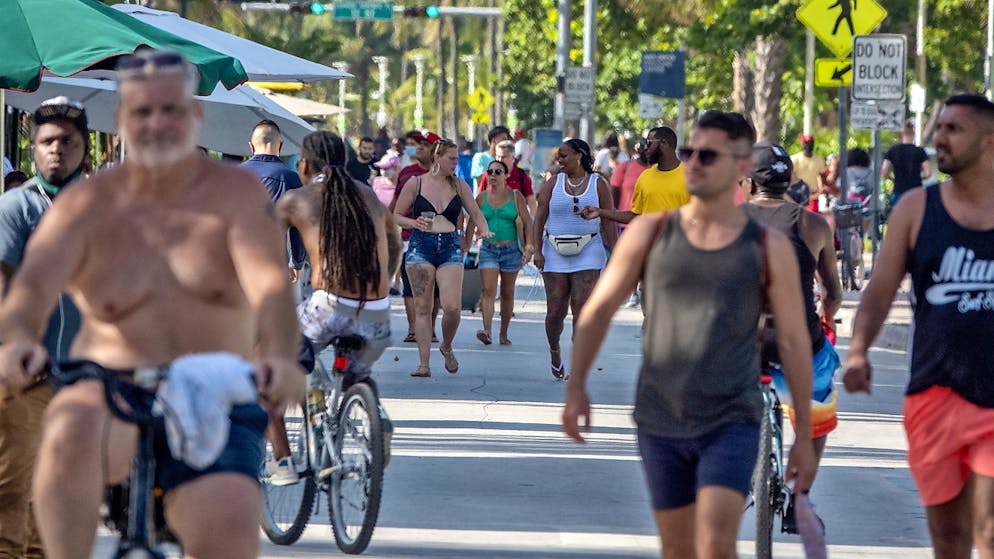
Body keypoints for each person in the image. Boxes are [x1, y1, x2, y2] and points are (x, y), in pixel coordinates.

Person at [0, 50, 304, 559]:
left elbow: (271, 287)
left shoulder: (236, 197)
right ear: (122, 122)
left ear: (195, 117)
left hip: (214, 384)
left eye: (172, 111)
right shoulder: (87, 204)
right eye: (143, 112)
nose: (158, 123)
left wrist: (279, 355)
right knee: (65, 441)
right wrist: (18, 341)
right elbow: (30, 287)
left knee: (229, 515)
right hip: (109, 384)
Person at [562, 111, 816, 558]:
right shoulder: (651, 232)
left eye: (708, 155)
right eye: (690, 152)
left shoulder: (766, 247)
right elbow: (597, 311)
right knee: (678, 548)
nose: (693, 162)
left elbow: (794, 341)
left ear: (740, 168)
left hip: (731, 417)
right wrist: (577, 385)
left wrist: (806, 437)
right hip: (660, 417)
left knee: (717, 540)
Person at [842, 94, 994, 558]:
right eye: (939, 127)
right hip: (934, 393)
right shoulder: (915, 210)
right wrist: (859, 350)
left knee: (989, 532)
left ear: (988, 143)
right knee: (949, 540)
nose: (939, 138)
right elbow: (880, 291)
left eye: (953, 129)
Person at [275, 130, 402, 477]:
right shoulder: (369, 195)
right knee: (358, 376)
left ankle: (283, 460)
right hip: (377, 317)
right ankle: (377, 417)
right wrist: (382, 285)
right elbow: (395, 245)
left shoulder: (296, 199)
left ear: (303, 164)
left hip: (328, 309)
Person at [0, 96, 89, 559]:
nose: (57, 149)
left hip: (82, 378)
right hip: (25, 376)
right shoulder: (15, 207)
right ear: (32, 149)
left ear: (84, 150)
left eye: (67, 142)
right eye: (47, 141)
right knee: (12, 492)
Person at [742, 141, 843, 533]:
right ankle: (800, 497)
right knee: (817, 413)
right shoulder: (813, 224)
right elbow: (832, 292)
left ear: (749, 183)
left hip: (742, 344)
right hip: (796, 341)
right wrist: (826, 314)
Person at [393, 139, 493, 378]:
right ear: (437, 158)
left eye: (457, 158)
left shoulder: (459, 184)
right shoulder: (415, 184)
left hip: (449, 246)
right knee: (423, 307)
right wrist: (412, 222)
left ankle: (446, 346)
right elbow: (395, 215)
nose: (455, 163)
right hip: (420, 246)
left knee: (452, 307)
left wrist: (484, 229)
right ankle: (423, 364)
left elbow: (475, 212)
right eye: (451, 158)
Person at [533, 138, 617, 380]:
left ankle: (577, 364)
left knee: (581, 308)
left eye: (564, 155)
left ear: (579, 156)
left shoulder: (598, 184)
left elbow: (609, 221)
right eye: (559, 156)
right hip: (554, 250)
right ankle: (555, 351)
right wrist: (537, 250)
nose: (559, 159)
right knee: (556, 309)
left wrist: (616, 255)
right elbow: (539, 218)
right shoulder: (553, 183)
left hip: (589, 250)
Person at [466, 159, 533, 346]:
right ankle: (487, 331)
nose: (493, 175)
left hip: (511, 249)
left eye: (497, 172)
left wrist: (529, 248)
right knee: (487, 290)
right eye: (490, 172)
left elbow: (528, 223)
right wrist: (467, 240)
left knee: (507, 292)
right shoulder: (481, 198)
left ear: (506, 176)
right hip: (488, 248)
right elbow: (472, 220)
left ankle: (504, 333)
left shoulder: (516, 196)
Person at [579, 126, 688, 225]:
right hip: (649, 245)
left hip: (678, 246)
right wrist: (600, 212)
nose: (645, 148)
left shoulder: (690, 176)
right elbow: (636, 216)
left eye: (649, 143)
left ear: (664, 143)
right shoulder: (645, 177)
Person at [239, 119, 306, 279]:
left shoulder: (233, 176)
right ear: (281, 146)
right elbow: (299, 225)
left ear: (251, 146)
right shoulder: (291, 178)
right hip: (273, 261)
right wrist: (296, 261)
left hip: (237, 261)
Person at [391, 130, 441, 344]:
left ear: (435, 150)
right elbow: (394, 205)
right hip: (408, 238)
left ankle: (429, 328)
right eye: (418, 144)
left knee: (435, 287)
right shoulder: (406, 173)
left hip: (438, 239)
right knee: (411, 286)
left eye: (425, 144)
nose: (419, 147)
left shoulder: (446, 175)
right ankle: (413, 329)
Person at [881, 121, 931, 211]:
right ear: (913, 134)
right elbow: (928, 173)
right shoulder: (920, 151)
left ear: (901, 134)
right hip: (916, 191)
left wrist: (892, 179)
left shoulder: (893, 150)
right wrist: (919, 178)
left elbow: (884, 172)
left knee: (897, 220)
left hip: (898, 190)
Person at [478, 139, 536, 215]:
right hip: (490, 222)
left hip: (514, 223)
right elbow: (479, 200)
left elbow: (531, 201)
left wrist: (532, 221)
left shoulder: (521, 176)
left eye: (503, 157)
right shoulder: (488, 174)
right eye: (497, 156)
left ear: (513, 157)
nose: (500, 160)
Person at [791, 134, 825, 213]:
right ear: (802, 144)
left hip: (813, 197)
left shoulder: (819, 159)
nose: (809, 146)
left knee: (812, 221)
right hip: (797, 197)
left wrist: (821, 189)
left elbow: (822, 175)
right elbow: (790, 176)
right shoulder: (795, 159)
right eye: (806, 143)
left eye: (811, 143)